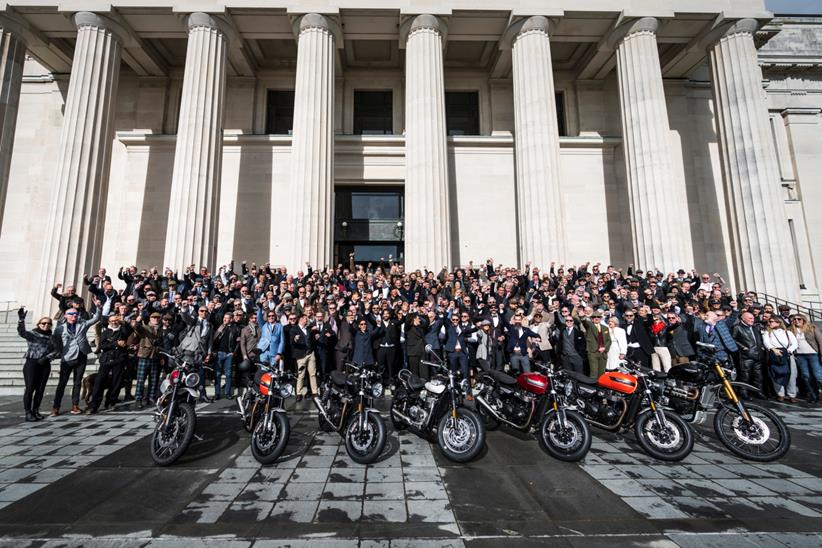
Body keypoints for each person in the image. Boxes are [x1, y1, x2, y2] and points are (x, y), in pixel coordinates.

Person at [51, 302, 101, 415]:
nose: (74, 315)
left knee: (77, 382)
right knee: (62, 383)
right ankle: (56, 407)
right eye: (71, 313)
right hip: (67, 357)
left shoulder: (82, 324)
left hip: (81, 355)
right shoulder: (59, 328)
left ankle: (75, 405)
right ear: (65, 315)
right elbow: (56, 342)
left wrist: (98, 307)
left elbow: (96, 318)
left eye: (76, 313)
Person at [87, 314, 132, 414]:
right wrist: (116, 344)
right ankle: (94, 404)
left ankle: (111, 401)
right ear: (108, 322)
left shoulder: (123, 330)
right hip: (106, 360)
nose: (114, 322)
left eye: (116, 320)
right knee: (99, 381)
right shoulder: (105, 332)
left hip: (119, 358)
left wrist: (123, 321)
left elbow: (130, 330)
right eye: (112, 321)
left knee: (117, 381)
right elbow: (102, 345)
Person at [17, 307, 55, 421]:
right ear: (39, 324)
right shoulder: (32, 334)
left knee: (40, 389)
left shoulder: (52, 337)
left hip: (45, 363)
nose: (46, 325)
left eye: (49, 323)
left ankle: (36, 410)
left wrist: (47, 357)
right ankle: (28, 412)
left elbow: (57, 351)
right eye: (43, 323)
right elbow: (22, 332)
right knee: (30, 388)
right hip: (32, 363)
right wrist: (21, 320)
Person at [762, 317, 798, 403]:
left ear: (778, 323)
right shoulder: (767, 333)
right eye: (768, 322)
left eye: (771, 321)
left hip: (787, 354)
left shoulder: (787, 332)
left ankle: (792, 394)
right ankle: (780, 394)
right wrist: (773, 349)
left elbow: (794, 343)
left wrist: (788, 351)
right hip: (774, 354)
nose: (769, 323)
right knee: (777, 374)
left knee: (792, 374)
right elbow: (766, 342)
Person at [789, 314, 822, 404]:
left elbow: (820, 341)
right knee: (806, 376)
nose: (796, 321)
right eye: (794, 319)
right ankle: (813, 396)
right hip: (800, 356)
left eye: (799, 319)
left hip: (813, 355)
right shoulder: (791, 330)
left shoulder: (812, 328)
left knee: (818, 376)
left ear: (803, 320)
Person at [132, 312, 162, 408]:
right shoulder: (145, 327)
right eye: (154, 317)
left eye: (157, 318)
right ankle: (138, 399)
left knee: (153, 380)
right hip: (144, 356)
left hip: (155, 356)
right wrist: (137, 321)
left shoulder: (160, 329)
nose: (156, 319)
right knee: (141, 380)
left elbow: (161, 344)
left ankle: (151, 398)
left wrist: (161, 358)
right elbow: (137, 327)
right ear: (150, 318)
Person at [732, 311, 765, 399]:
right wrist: (743, 347)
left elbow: (759, 338)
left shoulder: (755, 327)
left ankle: (758, 392)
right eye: (750, 318)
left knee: (758, 376)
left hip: (758, 355)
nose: (752, 320)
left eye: (753, 318)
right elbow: (733, 339)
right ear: (743, 318)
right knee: (745, 376)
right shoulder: (737, 327)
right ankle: (743, 393)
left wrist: (761, 346)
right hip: (746, 356)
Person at [288, 314, 317, 401]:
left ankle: (314, 392)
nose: (307, 320)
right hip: (301, 355)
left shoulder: (308, 329)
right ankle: (299, 393)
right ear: (301, 320)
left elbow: (311, 340)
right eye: (306, 319)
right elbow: (292, 342)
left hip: (310, 354)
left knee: (312, 373)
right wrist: (295, 339)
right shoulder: (294, 329)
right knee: (301, 375)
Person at [212, 311, 241, 399]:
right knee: (217, 374)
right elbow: (214, 340)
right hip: (219, 353)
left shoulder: (235, 329)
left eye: (227, 318)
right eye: (224, 318)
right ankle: (217, 393)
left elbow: (238, 342)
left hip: (229, 354)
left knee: (228, 374)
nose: (225, 319)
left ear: (231, 319)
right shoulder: (220, 327)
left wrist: (234, 353)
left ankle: (227, 393)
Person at [581, 311, 610, 379]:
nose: (596, 318)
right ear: (591, 319)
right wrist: (582, 317)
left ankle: (601, 388)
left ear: (600, 318)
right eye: (594, 317)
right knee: (594, 373)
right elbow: (585, 322)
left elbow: (609, 340)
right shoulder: (590, 326)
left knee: (602, 373)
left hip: (603, 353)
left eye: (598, 317)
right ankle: (592, 388)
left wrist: (604, 348)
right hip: (593, 352)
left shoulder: (605, 328)